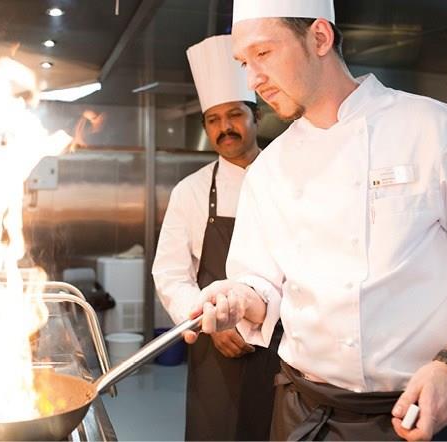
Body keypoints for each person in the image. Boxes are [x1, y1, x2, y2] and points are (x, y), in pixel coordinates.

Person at [183, 1, 447, 440]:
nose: (252, 79)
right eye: (243, 63)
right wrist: (237, 297)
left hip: (413, 412)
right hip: (301, 412)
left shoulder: (439, 132)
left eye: (263, 54)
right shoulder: (269, 168)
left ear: (319, 37)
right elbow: (261, 283)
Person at [152, 34, 283, 441]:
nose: (225, 127)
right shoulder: (190, 191)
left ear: (256, 116)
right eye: (213, 119)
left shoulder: (289, 178)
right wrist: (211, 324)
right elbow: (170, 274)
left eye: (234, 115)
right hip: (215, 347)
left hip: (283, 346)